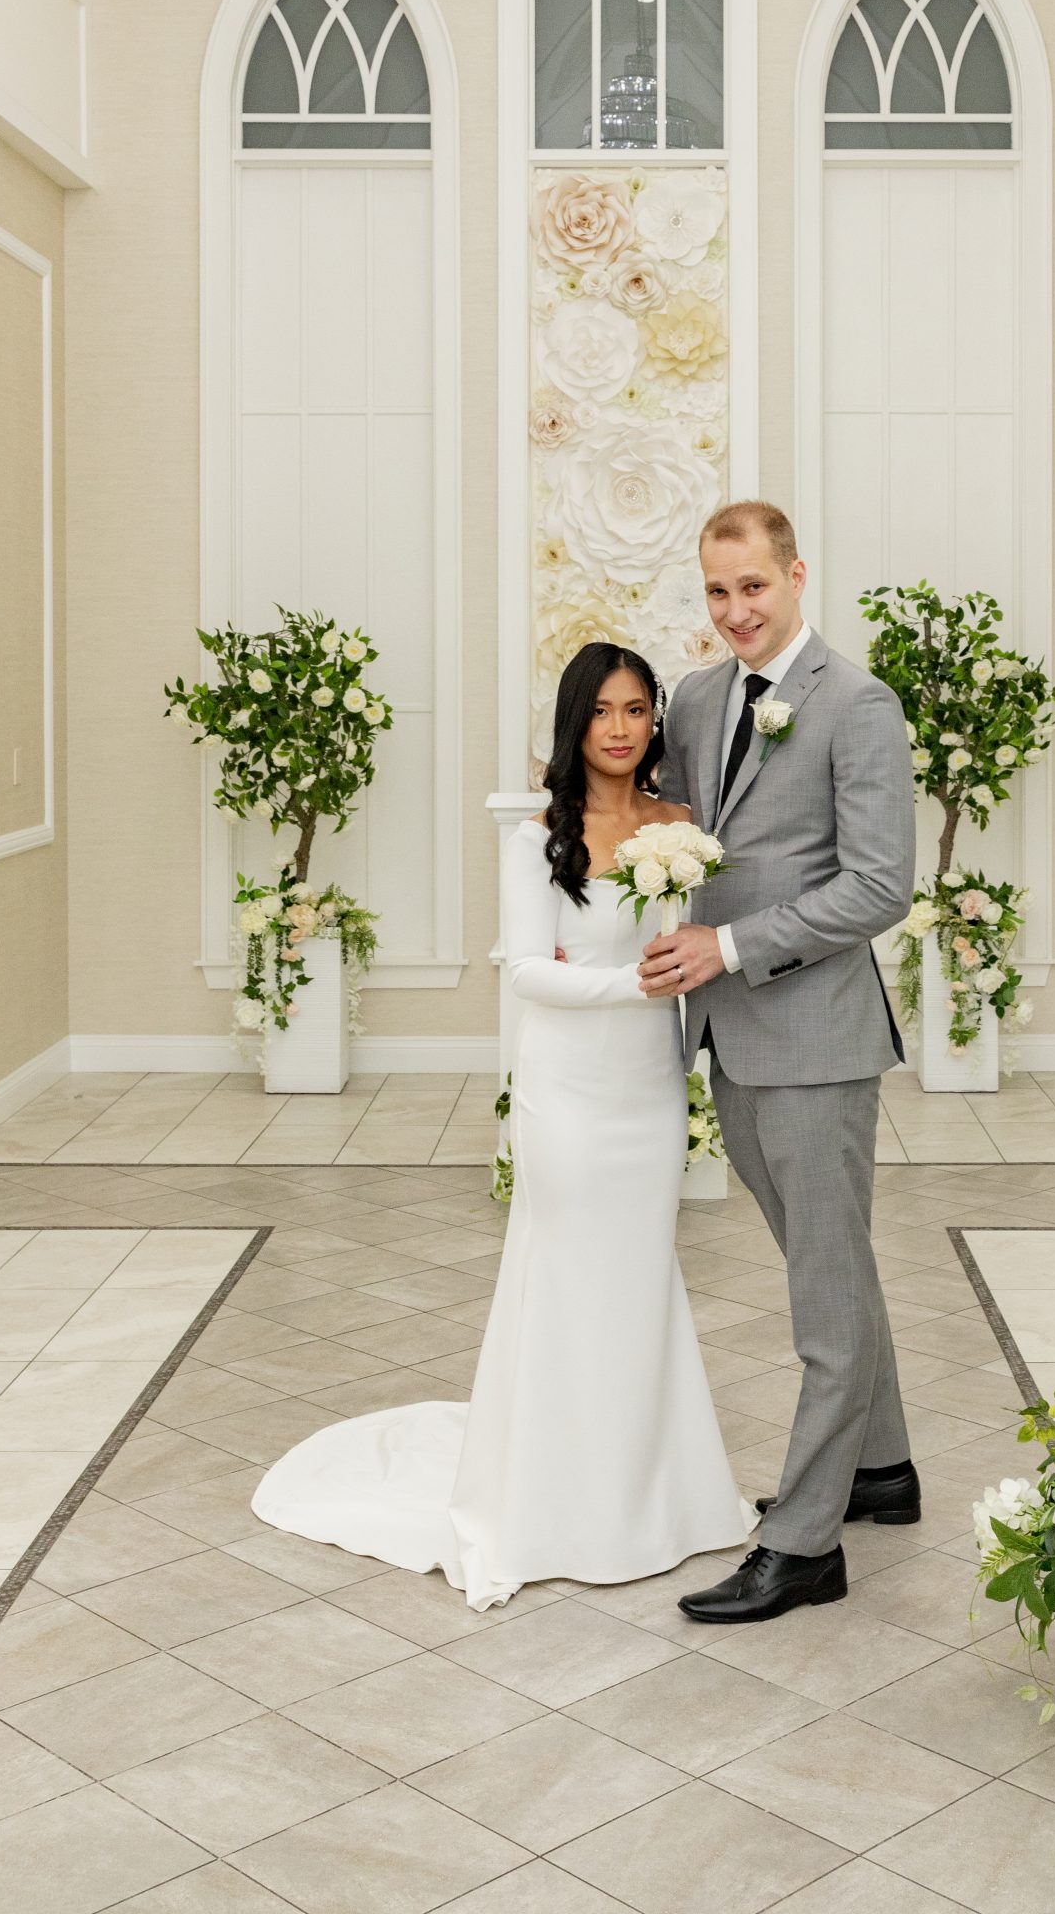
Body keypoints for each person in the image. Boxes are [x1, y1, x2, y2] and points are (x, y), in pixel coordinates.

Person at [250, 641, 754, 1608]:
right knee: (565, 1276)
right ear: (573, 722)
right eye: (601, 711)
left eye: (636, 710)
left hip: (649, 1094)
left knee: (640, 1279)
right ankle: (551, 1500)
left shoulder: (679, 828)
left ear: (655, 721)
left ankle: (654, 1496)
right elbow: (526, 971)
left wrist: (663, 980)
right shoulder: (540, 839)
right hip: (568, 1095)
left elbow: (702, 939)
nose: (619, 729)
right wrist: (635, 984)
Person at [639, 498, 919, 1624]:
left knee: (823, 1298)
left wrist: (731, 946)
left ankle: (803, 1545)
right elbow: (666, 821)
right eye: (717, 591)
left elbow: (879, 886)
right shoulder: (698, 698)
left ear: (797, 576)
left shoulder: (858, 704)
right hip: (730, 1039)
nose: (735, 611)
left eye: (752, 586)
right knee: (829, 1264)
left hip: (816, 1040)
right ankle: (880, 1469)